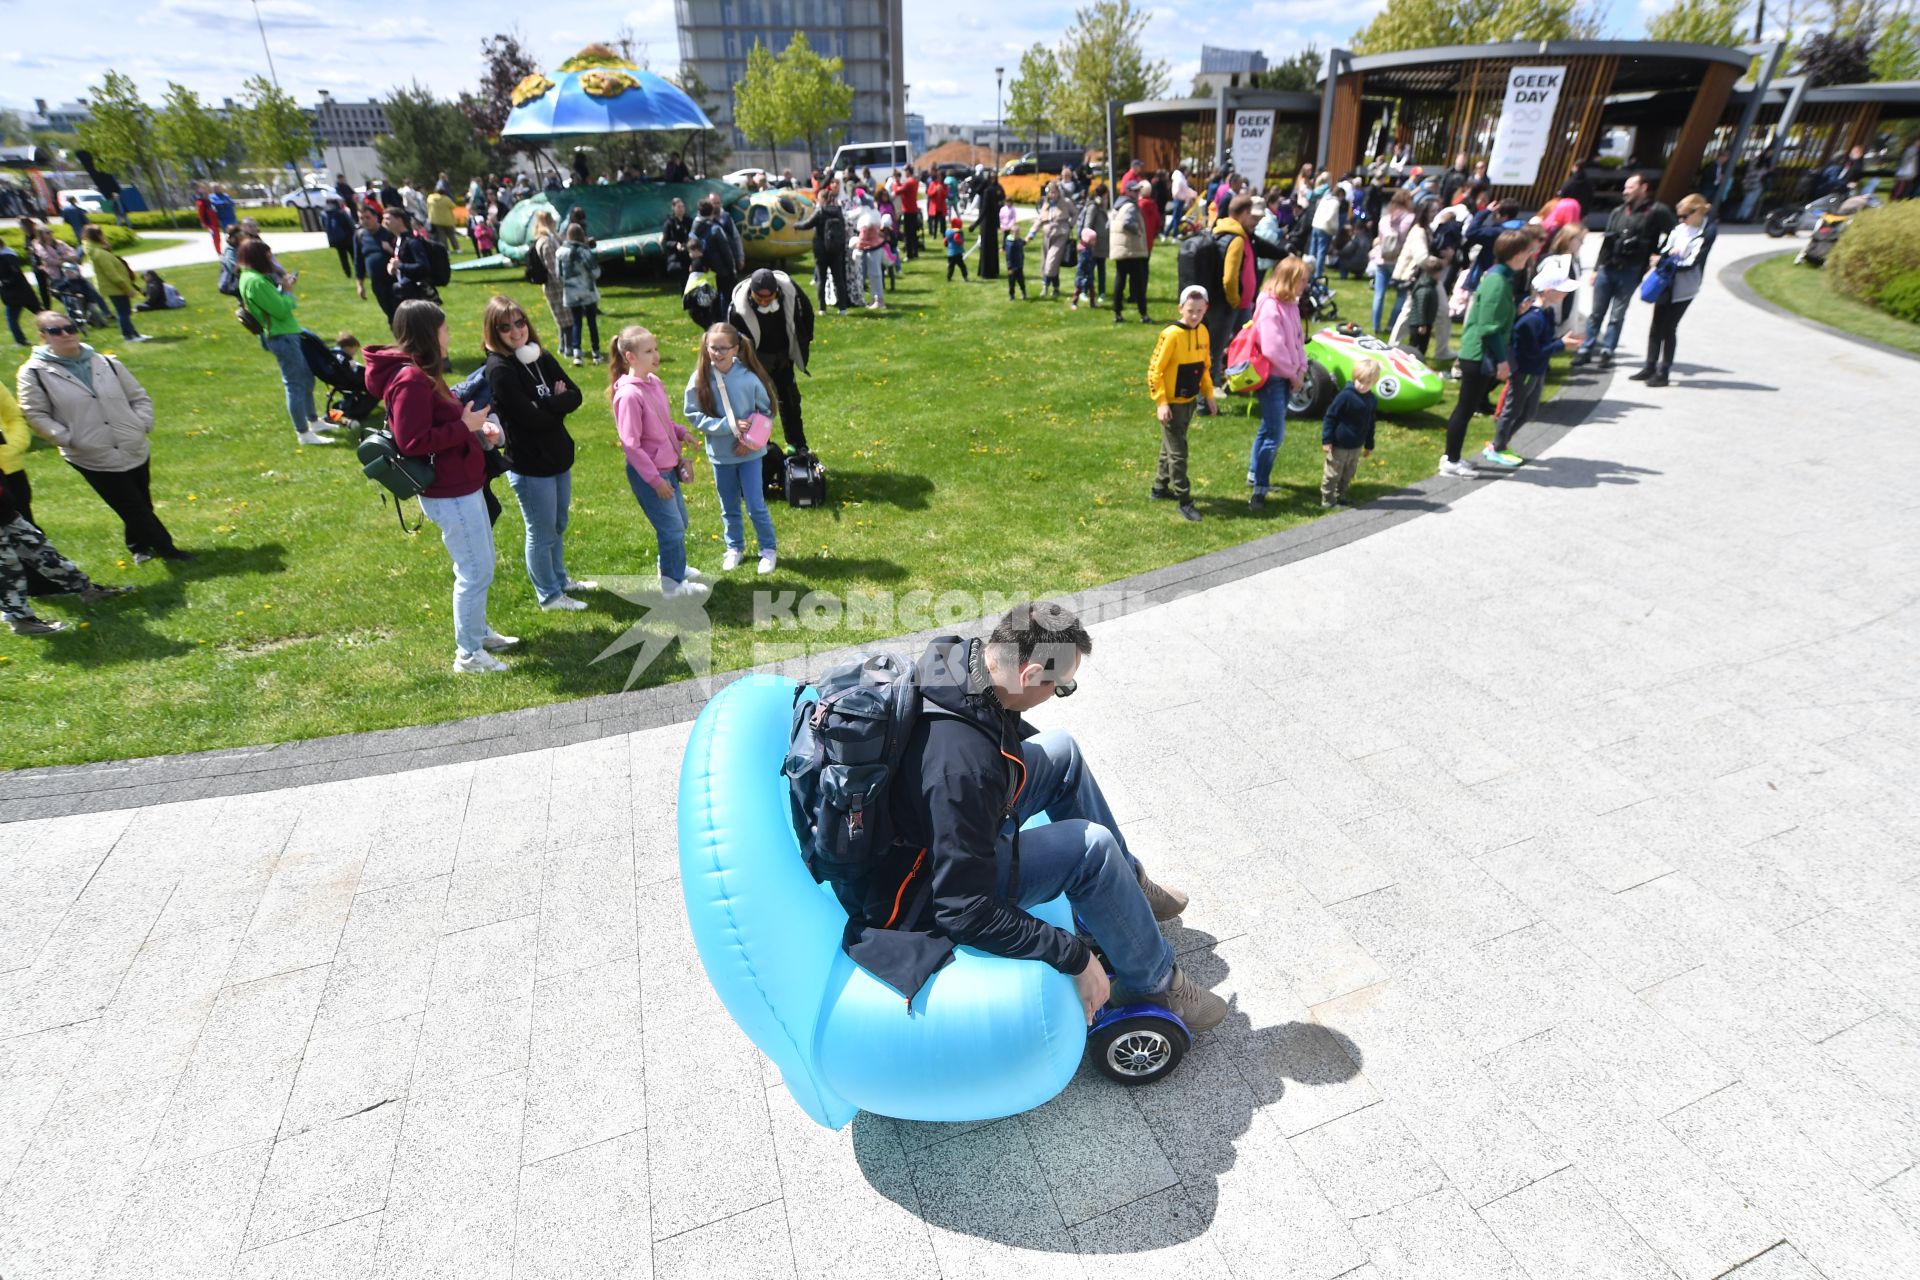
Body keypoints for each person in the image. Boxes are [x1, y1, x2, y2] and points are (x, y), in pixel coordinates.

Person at [835, 603, 1226, 1030]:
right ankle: (1157, 984)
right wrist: (1073, 956)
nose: (1060, 693)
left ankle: (1126, 888)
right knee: (1090, 848)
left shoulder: (956, 657)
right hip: (923, 887)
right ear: (1027, 675)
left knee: (1062, 753)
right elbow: (962, 910)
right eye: (1061, 686)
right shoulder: (964, 768)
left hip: (936, 820)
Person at [367, 300, 515, 674]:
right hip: (449, 492)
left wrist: (476, 426)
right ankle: (468, 655)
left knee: (481, 564)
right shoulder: (410, 380)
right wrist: (464, 427)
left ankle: (478, 632)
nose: (449, 335)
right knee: (474, 570)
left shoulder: (422, 374)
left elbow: (440, 422)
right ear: (428, 334)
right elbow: (412, 441)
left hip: (463, 484)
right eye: (444, 329)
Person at [17, 312, 188, 563]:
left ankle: (138, 545)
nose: (66, 334)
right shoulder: (33, 373)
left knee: (140, 499)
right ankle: (168, 550)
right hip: (89, 452)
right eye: (56, 331)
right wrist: (67, 438)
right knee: (130, 504)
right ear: (43, 336)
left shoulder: (106, 362)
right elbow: (34, 414)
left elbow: (138, 397)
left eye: (70, 328)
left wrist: (141, 424)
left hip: (131, 442)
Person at [482, 294, 592, 611]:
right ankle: (549, 595)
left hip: (557, 456)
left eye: (520, 323)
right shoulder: (500, 369)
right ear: (494, 332)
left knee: (558, 524)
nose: (516, 332)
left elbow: (575, 394)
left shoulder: (539, 356)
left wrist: (545, 404)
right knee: (541, 532)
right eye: (506, 328)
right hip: (530, 465)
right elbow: (531, 419)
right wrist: (554, 405)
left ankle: (560, 580)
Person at [610, 326, 709, 601]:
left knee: (680, 523)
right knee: (671, 528)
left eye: (656, 349)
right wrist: (655, 481)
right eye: (649, 351)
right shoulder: (629, 395)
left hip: (667, 468)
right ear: (630, 357)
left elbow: (661, 422)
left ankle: (672, 566)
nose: (656, 355)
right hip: (651, 474)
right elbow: (631, 444)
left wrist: (680, 432)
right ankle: (672, 586)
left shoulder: (654, 382)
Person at [685, 323, 778, 575]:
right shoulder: (700, 379)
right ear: (706, 346)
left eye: (723, 348)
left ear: (736, 348)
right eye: (712, 347)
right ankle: (734, 547)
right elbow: (693, 414)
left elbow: (766, 411)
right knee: (728, 506)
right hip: (720, 456)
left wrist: (747, 440)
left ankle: (768, 549)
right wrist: (727, 426)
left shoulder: (749, 378)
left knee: (755, 505)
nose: (717, 353)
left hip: (750, 455)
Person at [1440, 229, 1530, 478]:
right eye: (1527, 251)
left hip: (1481, 353)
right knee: (1465, 409)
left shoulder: (1499, 278)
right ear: (1516, 254)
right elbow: (1489, 328)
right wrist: (1502, 360)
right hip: (1479, 354)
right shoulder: (1497, 281)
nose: (1529, 256)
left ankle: (1453, 456)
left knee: (1466, 408)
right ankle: (1451, 460)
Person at [1482, 262, 1582, 469]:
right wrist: (1561, 344)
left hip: (1537, 370)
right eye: (1562, 291)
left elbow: (1541, 347)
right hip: (1525, 371)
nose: (1565, 296)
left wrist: (1559, 342)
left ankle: (1500, 443)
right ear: (1548, 291)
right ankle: (1497, 447)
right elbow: (1533, 352)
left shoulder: (1543, 314)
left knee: (1528, 412)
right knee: (1512, 411)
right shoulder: (1531, 320)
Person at [237, 240, 335, 447]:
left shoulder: (252, 278)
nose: (272, 260)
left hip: (287, 333)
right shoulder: (256, 282)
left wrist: (282, 288)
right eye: (268, 256)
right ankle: (303, 432)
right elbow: (281, 310)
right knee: (295, 385)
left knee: (307, 378)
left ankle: (314, 421)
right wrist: (288, 291)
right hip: (282, 336)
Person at [1573, 173, 1675, 368]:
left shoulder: (1656, 211)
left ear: (1643, 188)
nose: (1625, 191)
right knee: (1596, 313)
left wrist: (1660, 254)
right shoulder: (1618, 211)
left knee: (1617, 315)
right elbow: (1607, 242)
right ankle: (1586, 348)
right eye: (1625, 188)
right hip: (1607, 268)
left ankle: (1607, 351)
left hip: (1631, 270)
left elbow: (1675, 234)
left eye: (1630, 187)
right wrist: (1596, 269)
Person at [0, 478, 126, 635]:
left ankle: (87, 590)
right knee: (6, 568)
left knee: (43, 552)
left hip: (6, 512)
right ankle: (20, 620)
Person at [726, 267, 815, 457]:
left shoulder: (791, 292)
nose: (765, 302)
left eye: (769, 298)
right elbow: (734, 340)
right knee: (759, 404)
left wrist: (805, 339)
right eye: (760, 299)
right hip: (756, 358)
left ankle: (798, 444)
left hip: (783, 354)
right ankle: (760, 446)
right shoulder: (737, 309)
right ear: (752, 293)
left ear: (777, 292)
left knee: (790, 399)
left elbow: (807, 313)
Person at [1146, 285, 1217, 522]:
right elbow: (1155, 370)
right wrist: (1162, 402)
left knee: (1171, 446)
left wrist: (1208, 395)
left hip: (1189, 400)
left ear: (1206, 308)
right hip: (1172, 403)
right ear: (1180, 308)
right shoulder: (1171, 335)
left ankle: (1159, 487)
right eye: (1190, 310)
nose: (1195, 315)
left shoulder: (1203, 332)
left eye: (1199, 310)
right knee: (1179, 453)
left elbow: (1204, 368)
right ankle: (1185, 500)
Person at [1246, 258, 1310, 511]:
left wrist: (1302, 368)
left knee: (1268, 428)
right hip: (1273, 378)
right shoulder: (1271, 307)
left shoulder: (1290, 304)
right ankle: (1259, 489)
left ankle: (1254, 474)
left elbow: (1297, 340)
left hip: (1287, 376)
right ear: (1290, 279)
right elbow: (1273, 349)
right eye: (1302, 280)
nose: (1305, 285)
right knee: (1275, 434)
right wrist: (1293, 374)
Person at [1634, 194, 1712, 388]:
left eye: (1684, 216)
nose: (1681, 220)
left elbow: (1693, 262)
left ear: (1697, 212)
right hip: (1665, 283)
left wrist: (1670, 260)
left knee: (1669, 328)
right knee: (1656, 326)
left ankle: (1664, 371)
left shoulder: (1707, 231)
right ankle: (1649, 366)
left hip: (1684, 287)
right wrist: (1665, 256)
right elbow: (1664, 248)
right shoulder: (1678, 230)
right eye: (1679, 217)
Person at [1321, 360, 1378, 508]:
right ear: (1354, 378)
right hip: (1340, 443)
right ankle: (1327, 499)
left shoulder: (1371, 400)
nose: (1363, 385)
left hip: (1356, 445)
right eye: (1360, 381)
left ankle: (1341, 496)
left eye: (1368, 383)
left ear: (1374, 383)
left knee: (1348, 473)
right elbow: (1330, 416)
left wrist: (1369, 445)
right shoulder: (1345, 396)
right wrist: (1327, 440)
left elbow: (1370, 423)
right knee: (1334, 472)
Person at [79, 226, 145, 343]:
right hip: (115, 287)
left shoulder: (97, 251)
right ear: (97, 236)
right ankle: (128, 336)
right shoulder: (100, 253)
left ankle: (133, 334)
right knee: (123, 312)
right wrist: (126, 288)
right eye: (101, 234)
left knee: (124, 311)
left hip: (112, 287)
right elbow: (113, 274)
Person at [795, 190, 852, 315]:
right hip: (836, 250)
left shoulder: (820, 211)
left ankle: (822, 309)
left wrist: (795, 225)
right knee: (839, 279)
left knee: (822, 279)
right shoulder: (838, 211)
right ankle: (843, 308)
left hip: (821, 250)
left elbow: (807, 225)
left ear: (822, 198)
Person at [527, 210, 572, 358]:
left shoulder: (543, 239)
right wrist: (564, 283)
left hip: (552, 284)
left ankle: (563, 346)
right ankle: (567, 348)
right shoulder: (546, 242)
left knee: (562, 318)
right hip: (555, 285)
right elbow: (553, 267)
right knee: (565, 319)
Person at [557, 224, 603, 365]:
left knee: (576, 322)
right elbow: (595, 272)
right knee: (591, 322)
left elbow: (559, 275)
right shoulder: (584, 251)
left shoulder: (560, 253)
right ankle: (596, 352)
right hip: (587, 291)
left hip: (571, 292)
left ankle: (576, 352)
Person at [1369, 189, 1414, 334]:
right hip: (1399, 262)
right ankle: (1391, 324)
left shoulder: (1385, 218)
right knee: (1401, 295)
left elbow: (1380, 239)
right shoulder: (1410, 218)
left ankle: (1375, 326)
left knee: (1379, 294)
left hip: (1382, 259)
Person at [1108, 182, 1151, 324]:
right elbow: (1126, 223)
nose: (1138, 193)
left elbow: (1109, 225)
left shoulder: (1117, 205)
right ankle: (1143, 314)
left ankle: (1117, 312)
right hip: (1131, 250)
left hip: (1120, 249)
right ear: (1128, 191)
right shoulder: (1130, 206)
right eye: (1135, 190)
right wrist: (1137, 231)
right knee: (1138, 283)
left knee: (1120, 281)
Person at [1030, 183, 1077, 299]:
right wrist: (1031, 233)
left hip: (1060, 234)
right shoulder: (1046, 204)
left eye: (1054, 192)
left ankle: (1045, 286)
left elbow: (1075, 213)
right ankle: (1056, 287)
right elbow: (1040, 220)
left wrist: (1070, 225)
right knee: (1048, 262)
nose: (1052, 194)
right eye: (1050, 192)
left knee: (1051, 261)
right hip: (1047, 236)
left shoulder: (1066, 202)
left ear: (1058, 192)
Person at [353, 205, 397, 320]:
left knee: (400, 313)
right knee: (390, 315)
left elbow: (402, 255)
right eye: (362, 218)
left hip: (394, 281)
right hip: (377, 284)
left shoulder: (388, 233)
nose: (365, 221)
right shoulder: (360, 236)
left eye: (368, 217)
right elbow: (358, 262)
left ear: (376, 217)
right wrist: (360, 285)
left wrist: (390, 250)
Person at [385, 209, 436, 306]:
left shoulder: (412, 241)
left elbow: (423, 266)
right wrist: (394, 268)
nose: (385, 222)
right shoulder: (398, 240)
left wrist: (400, 265)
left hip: (416, 292)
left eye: (388, 219)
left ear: (399, 220)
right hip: (404, 290)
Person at [1404, 256, 1445, 358]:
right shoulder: (1424, 289)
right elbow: (1420, 308)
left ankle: (1419, 360)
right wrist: (1422, 324)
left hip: (1426, 322)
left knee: (1423, 346)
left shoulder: (1431, 285)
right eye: (1439, 273)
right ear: (1434, 273)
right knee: (1415, 346)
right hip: (1419, 324)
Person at [1, 239, 36, 346]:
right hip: (24, 290)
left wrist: (4, 282)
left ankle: (21, 341)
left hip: (13, 293)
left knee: (11, 318)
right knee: (39, 312)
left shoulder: (5, 257)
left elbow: (13, 275)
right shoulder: (10, 253)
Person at [854, 202, 888, 310]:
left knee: (875, 275)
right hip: (876, 247)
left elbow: (862, 239)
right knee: (875, 275)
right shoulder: (873, 216)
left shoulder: (865, 221)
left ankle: (879, 300)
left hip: (873, 248)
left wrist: (857, 248)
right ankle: (875, 299)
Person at [1077, 188, 1109, 303]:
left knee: (1101, 269)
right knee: (1089, 269)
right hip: (1093, 245)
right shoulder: (1093, 206)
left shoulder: (1101, 206)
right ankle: (1084, 291)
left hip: (1101, 245)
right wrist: (1089, 242)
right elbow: (1087, 225)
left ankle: (1102, 292)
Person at [974, 170, 1006, 279]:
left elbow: (1002, 199)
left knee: (993, 246)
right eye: (991, 177)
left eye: (994, 177)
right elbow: (978, 192)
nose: (993, 179)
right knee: (985, 246)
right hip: (986, 221)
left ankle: (993, 270)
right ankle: (985, 271)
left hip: (994, 220)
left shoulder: (998, 188)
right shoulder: (986, 190)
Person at [1308, 173, 1341, 278]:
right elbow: (1331, 217)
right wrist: (1334, 230)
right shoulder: (1335, 203)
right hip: (1325, 227)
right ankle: (1318, 273)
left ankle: (1308, 271)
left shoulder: (1325, 199)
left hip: (1316, 225)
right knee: (1321, 251)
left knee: (1312, 251)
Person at [322, 196, 357, 278]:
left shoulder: (324, 213)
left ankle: (347, 274)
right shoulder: (341, 212)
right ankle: (359, 272)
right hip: (347, 237)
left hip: (336, 239)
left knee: (343, 257)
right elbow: (351, 224)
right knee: (353, 255)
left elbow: (324, 226)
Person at [893, 169, 922, 258]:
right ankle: (915, 252)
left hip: (908, 211)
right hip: (913, 209)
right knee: (913, 233)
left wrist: (895, 184)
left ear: (908, 172)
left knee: (908, 234)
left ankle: (909, 254)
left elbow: (897, 191)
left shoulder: (909, 182)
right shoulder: (913, 181)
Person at [426, 185, 458, 254]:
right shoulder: (446, 199)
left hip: (436, 220)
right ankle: (457, 249)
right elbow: (453, 206)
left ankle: (447, 250)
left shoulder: (430, 198)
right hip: (447, 220)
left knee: (442, 236)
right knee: (451, 235)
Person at [1004, 224, 1029, 301]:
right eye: (1016, 233)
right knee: (1011, 282)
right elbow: (1009, 257)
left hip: (1019, 265)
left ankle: (1024, 293)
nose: (1018, 235)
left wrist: (1026, 240)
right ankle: (1012, 295)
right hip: (1012, 267)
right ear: (1012, 233)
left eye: (1018, 233)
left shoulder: (1019, 240)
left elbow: (1022, 243)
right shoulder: (1010, 243)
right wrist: (1010, 267)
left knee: (1021, 280)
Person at [944, 217, 969, 282]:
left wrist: (946, 244)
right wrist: (960, 241)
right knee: (962, 266)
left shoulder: (948, 233)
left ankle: (948, 277)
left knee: (951, 267)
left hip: (950, 254)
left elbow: (945, 242)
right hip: (957, 253)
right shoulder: (957, 233)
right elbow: (957, 240)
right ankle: (965, 277)